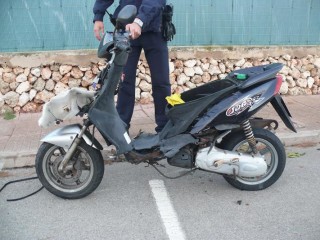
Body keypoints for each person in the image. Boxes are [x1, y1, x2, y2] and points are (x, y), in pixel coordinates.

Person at [93, 0, 171, 133]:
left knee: (161, 82)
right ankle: (121, 130)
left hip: (154, 29)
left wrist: (139, 21)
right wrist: (98, 17)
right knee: (124, 81)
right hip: (126, 29)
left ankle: (165, 130)